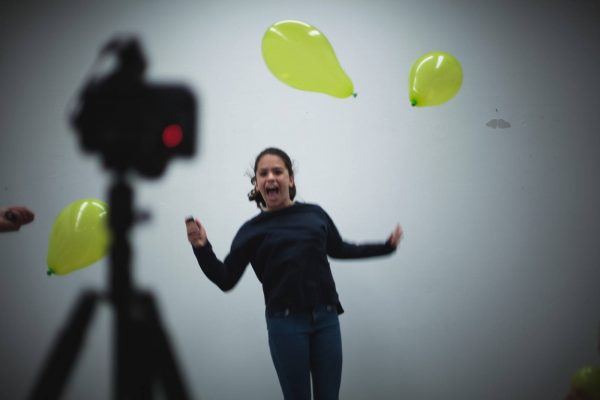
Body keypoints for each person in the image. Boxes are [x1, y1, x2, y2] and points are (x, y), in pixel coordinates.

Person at [185, 147, 403, 400]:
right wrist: (201, 247)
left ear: (291, 179)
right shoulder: (250, 231)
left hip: (326, 319)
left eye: (277, 171)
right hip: (285, 324)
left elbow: (341, 249)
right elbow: (225, 279)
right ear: (256, 184)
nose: (270, 177)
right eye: (263, 173)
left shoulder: (314, 214)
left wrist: (386, 247)